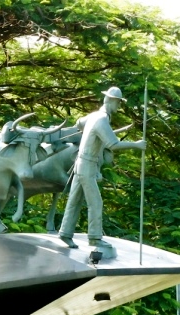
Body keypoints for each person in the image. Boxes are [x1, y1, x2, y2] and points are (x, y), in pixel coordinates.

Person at [58, 86, 146, 249]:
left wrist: (91, 133)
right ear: (112, 101)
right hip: (88, 165)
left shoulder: (94, 116)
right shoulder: (101, 119)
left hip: (81, 163)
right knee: (96, 202)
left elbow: (79, 123)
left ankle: (65, 233)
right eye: (118, 103)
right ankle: (95, 238)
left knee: (74, 200)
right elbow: (113, 144)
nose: (118, 107)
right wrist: (137, 145)